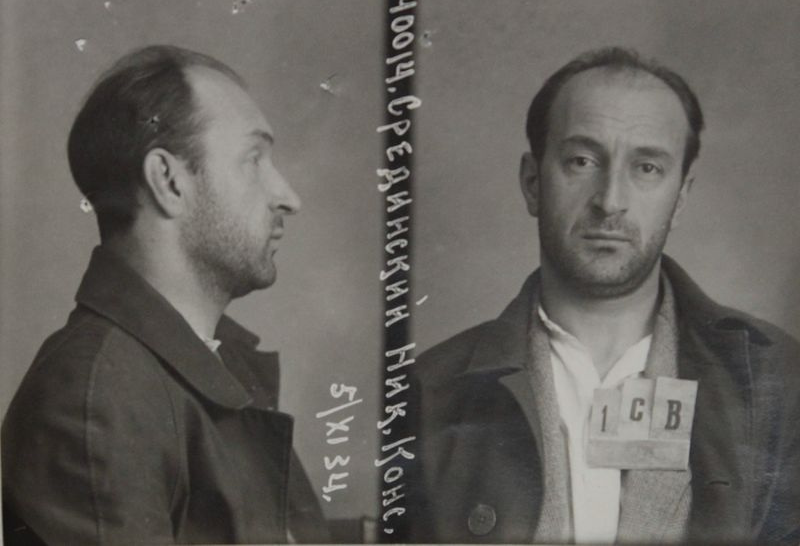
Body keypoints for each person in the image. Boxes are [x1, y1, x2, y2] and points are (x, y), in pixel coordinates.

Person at [407, 47, 800, 544]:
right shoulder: (430, 393)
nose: (611, 201)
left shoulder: (775, 379)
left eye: (647, 168)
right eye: (582, 161)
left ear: (680, 198)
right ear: (532, 182)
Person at [2, 45, 329, 545]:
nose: (288, 196)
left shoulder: (211, 364)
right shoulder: (96, 399)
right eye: (253, 159)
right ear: (169, 181)